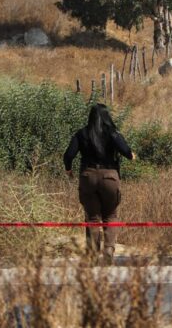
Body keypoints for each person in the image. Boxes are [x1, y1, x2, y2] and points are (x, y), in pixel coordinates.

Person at [64, 104, 134, 262]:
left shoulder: (81, 133)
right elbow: (126, 151)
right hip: (110, 177)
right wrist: (132, 155)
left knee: (92, 218)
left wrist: (69, 170)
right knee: (110, 215)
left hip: (88, 177)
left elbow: (68, 155)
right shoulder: (112, 133)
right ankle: (108, 250)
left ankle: (93, 255)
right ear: (107, 117)